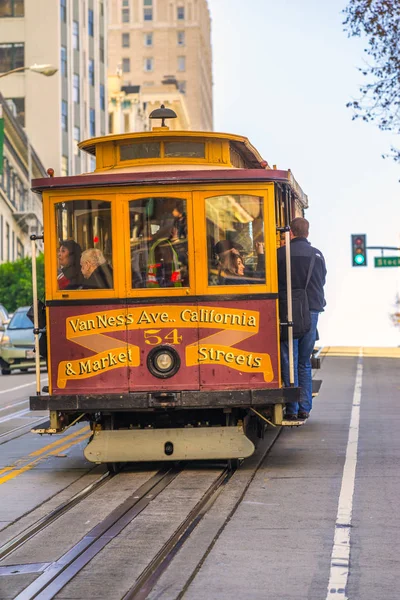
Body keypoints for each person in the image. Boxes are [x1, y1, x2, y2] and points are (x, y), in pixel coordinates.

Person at [277, 217, 327, 420]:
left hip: (287, 311)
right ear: (307, 233)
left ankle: (292, 408)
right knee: (304, 361)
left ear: (291, 233)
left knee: (289, 358)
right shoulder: (317, 255)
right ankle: (305, 407)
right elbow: (322, 280)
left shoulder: (280, 254)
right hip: (311, 311)